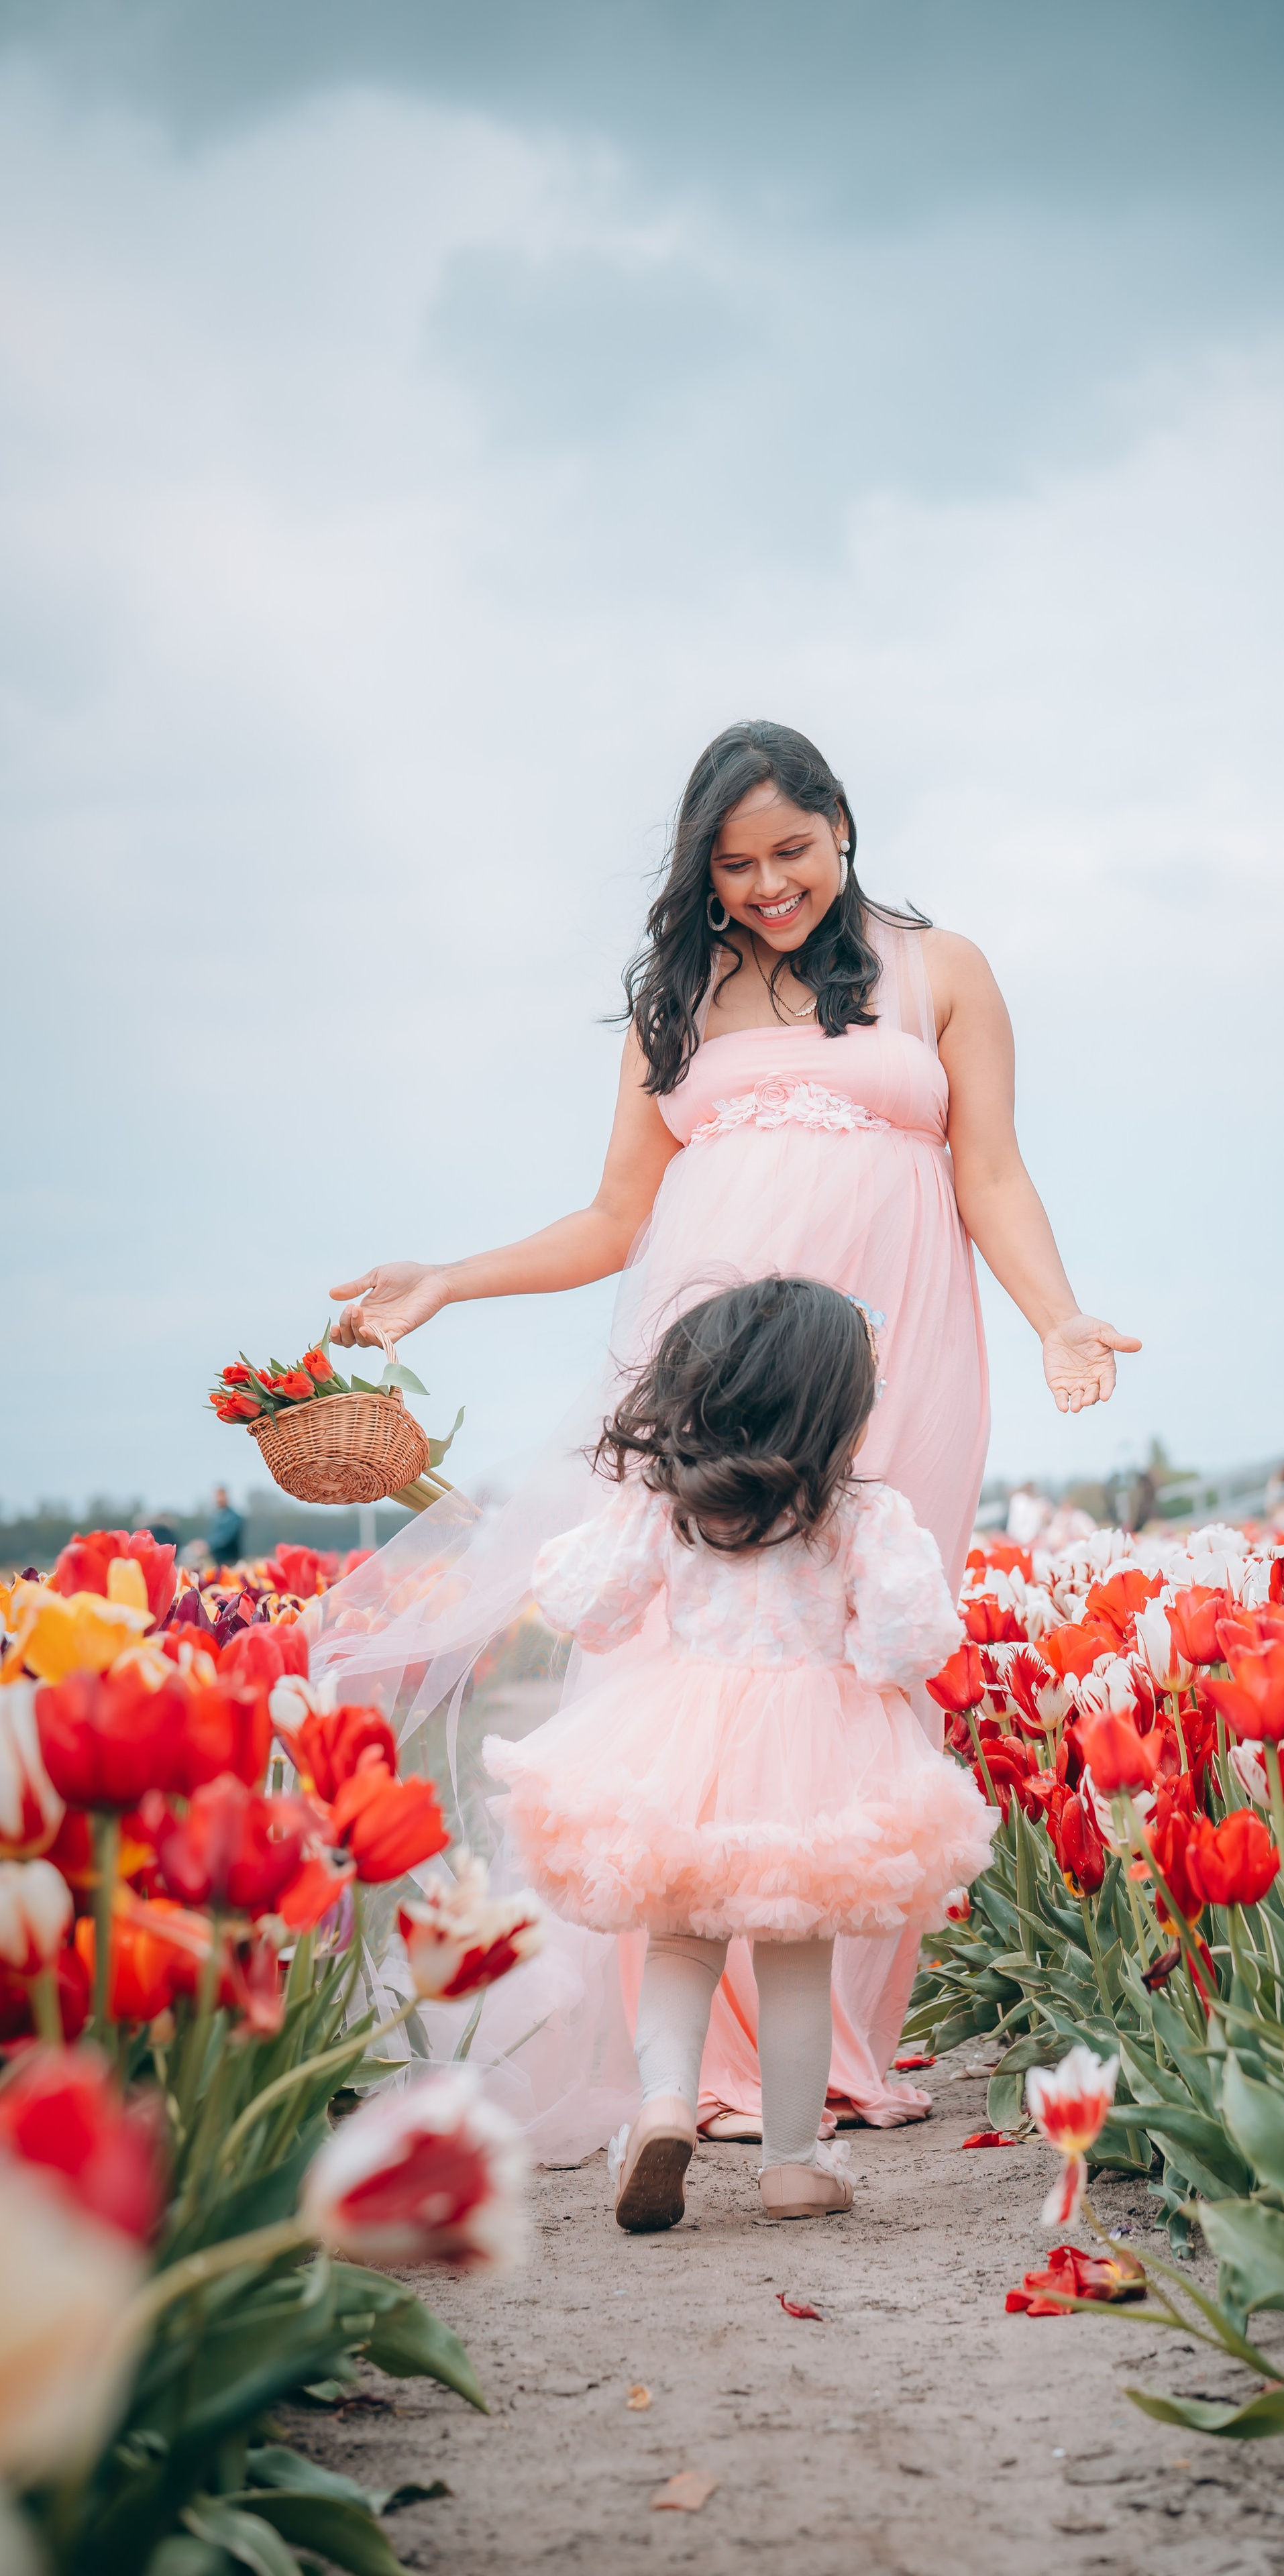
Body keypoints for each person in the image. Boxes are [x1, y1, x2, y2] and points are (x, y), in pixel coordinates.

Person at [313, 718, 1138, 2159]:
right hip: (700, 1349)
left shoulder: (942, 971)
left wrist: (1059, 1317)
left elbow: (991, 1171)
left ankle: (828, 2048)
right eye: (735, 864)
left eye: (793, 854)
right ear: (701, 870)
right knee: (674, 1648)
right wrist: (449, 1276)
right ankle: (678, 2060)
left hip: (889, 1356)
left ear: (842, 826)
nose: (768, 887)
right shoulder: (676, 996)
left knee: (861, 1647)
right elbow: (610, 1220)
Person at [492, 1278, 995, 2229]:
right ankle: (795, 2162)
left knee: (681, 1941)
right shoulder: (860, 1515)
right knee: (797, 1957)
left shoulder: (673, 1506)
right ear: (830, 1404)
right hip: (817, 1751)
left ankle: (664, 2107)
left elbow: (587, 1609)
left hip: (683, 1739)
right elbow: (907, 1643)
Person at [207, 1485, 246, 1570]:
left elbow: (227, 1538)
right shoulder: (217, 1517)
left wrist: (209, 1545)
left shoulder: (233, 1517)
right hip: (218, 1561)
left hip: (231, 1561)